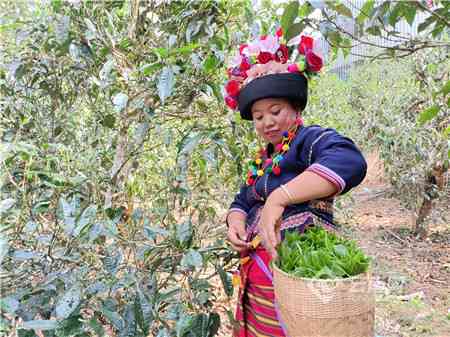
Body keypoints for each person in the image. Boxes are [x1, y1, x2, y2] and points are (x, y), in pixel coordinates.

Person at [224, 31, 367, 337]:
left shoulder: (308, 140)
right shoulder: (264, 160)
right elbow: (243, 199)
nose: (267, 122)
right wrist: (235, 222)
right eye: (259, 116)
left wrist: (279, 198)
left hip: (299, 270)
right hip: (258, 277)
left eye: (276, 111)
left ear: (296, 109)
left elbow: (348, 160)